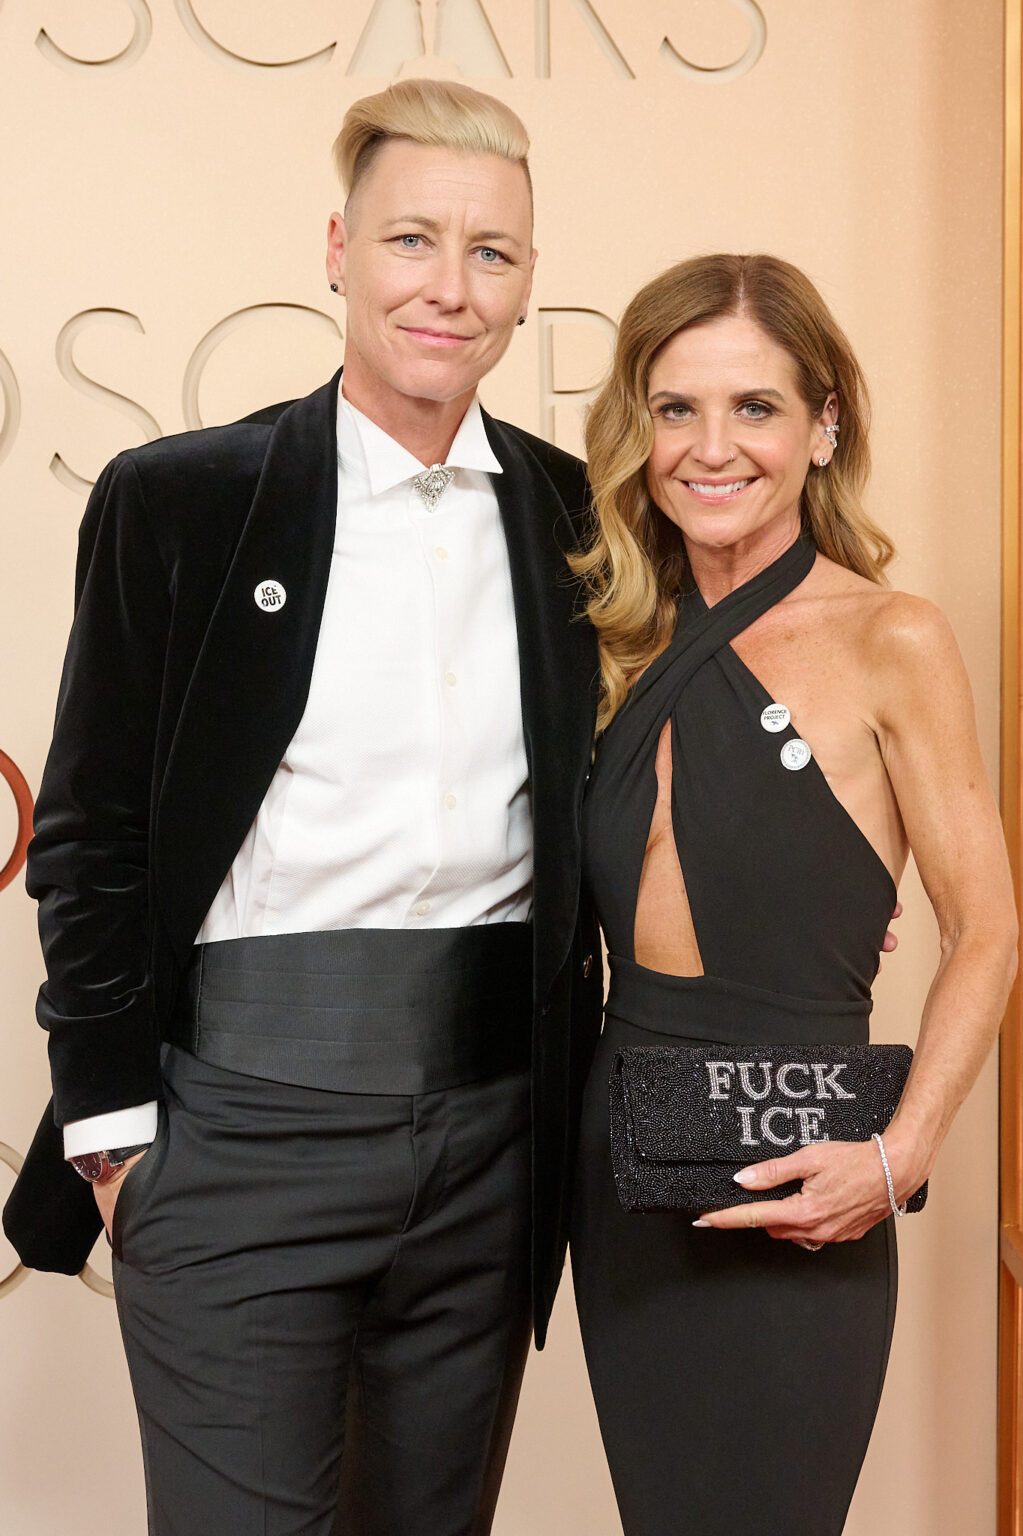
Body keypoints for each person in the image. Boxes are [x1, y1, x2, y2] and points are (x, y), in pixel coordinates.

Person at [3, 79, 605, 1535]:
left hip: (491, 1145)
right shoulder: (180, 500)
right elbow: (87, 835)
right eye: (412, 241)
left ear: (526, 284)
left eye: (491, 254)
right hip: (230, 1131)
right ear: (338, 248)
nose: (448, 289)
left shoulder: (577, 516)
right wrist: (115, 1129)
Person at [568, 253, 1018, 1536]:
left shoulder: (896, 638)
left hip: (807, 1167)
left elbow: (987, 926)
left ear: (824, 425)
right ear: (638, 429)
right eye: (676, 409)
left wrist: (901, 1154)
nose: (714, 448)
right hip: (625, 1169)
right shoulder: (606, 636)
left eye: (756, 407)